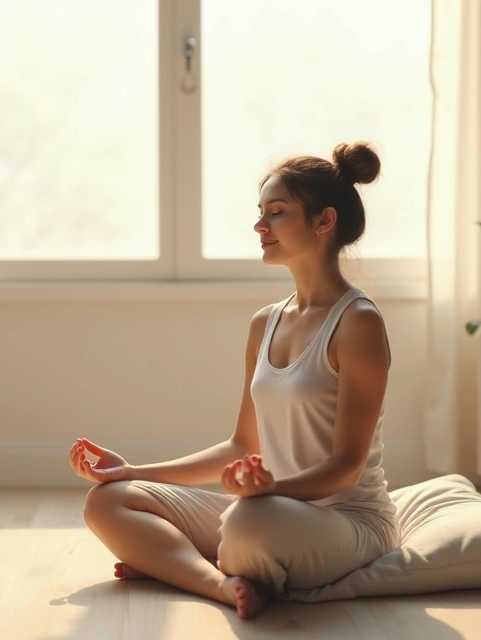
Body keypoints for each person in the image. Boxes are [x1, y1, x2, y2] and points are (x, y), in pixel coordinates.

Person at [68, 142, 399, 620]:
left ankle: (177, 563)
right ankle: (222, 585)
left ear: (323, 221)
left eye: (277, 213)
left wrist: (266, 493)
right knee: (106, 502)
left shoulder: (358, 322)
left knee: (245, 521)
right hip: (268, 508)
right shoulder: (264, 322)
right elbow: (240, 444)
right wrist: (133, 472)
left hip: (347, 523)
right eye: (260, 212)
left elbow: (346, 467)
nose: (260, 226)